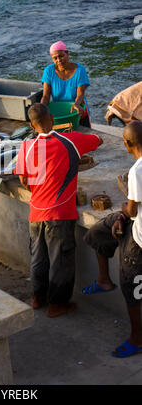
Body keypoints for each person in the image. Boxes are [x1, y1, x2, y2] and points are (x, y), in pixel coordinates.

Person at [14, 103, 102, 317]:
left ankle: (37, 297)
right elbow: (98, 140)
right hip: (60, 213)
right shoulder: (70, 139)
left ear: (32, 126)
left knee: (38, 257)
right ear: (52, 119)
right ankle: (57, 305)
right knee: (60, 259)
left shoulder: (26, 147)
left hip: (36, 211)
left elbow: (24, 180)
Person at [82, 121, 142, 358]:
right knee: (98, 232)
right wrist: (122, 214)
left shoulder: (138, 171)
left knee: (131, 286)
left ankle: (137, 339)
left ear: (126, 144)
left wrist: (123, 213)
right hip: (133, 221)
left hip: (139, 236)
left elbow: (133, 211)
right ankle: (103, 279)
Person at [40, 41, 91, 127]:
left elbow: (80, 94)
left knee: (82, 137)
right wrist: (41, 110)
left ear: (67, 53)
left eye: (61, 56)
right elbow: (46, 96)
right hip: (59, 113)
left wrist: (77, 104)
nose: (59, 60)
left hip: (77, 112)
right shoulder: (48, 71)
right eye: (55, 58)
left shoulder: (80, 70)